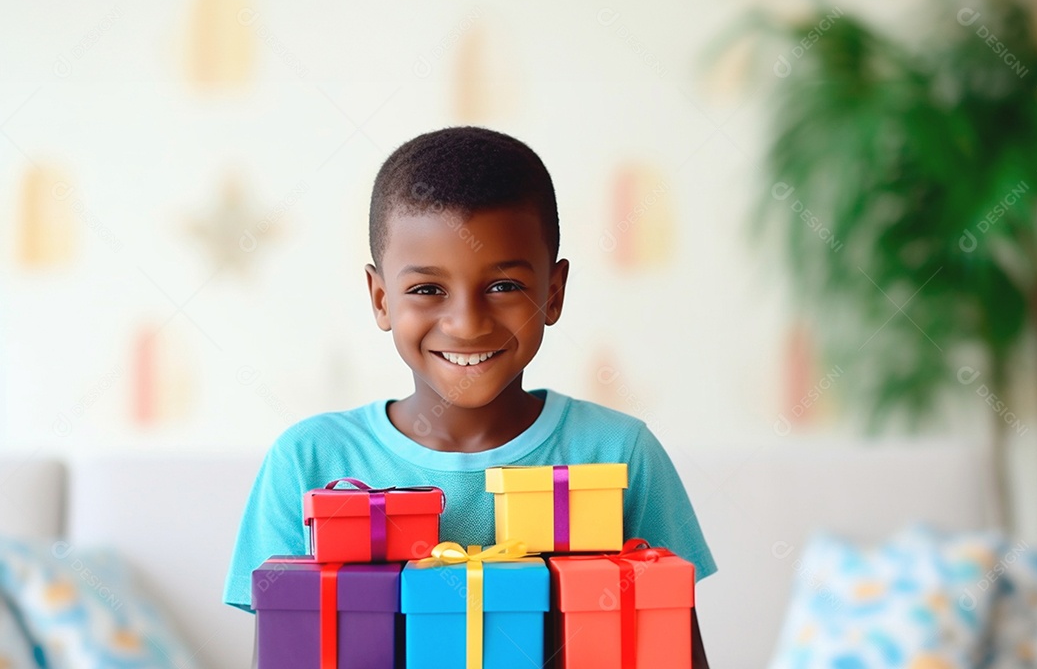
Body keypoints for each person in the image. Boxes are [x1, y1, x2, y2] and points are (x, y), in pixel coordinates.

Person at [224, 126, 715, 666]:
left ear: (553, 293)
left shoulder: (619, 453)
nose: (466, 323)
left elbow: (675, 648)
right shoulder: (308, 460)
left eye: (503, 287)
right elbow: (281, 653)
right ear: (381, 299)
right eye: (427, 290)